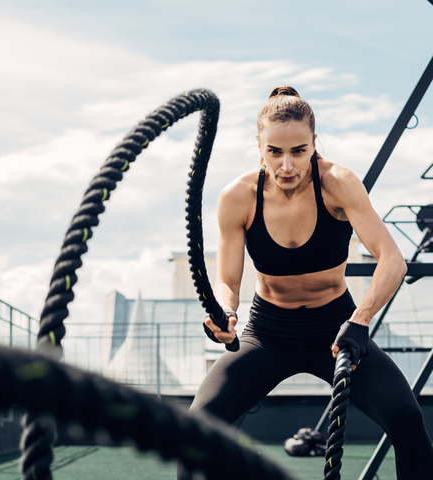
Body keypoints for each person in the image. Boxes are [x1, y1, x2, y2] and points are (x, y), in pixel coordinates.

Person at [178, 86, 433, 479]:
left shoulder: (338, 183)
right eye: (274, 152)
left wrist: (361, 320)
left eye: (298, 150)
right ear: (259, 146)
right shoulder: (238, 197)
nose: (286, 165)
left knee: (406, 418)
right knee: (197, 427)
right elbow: (229, 280)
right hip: (267, 332)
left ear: (314, 144)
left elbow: (392, 260)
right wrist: (226, 311)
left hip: (336, 330)